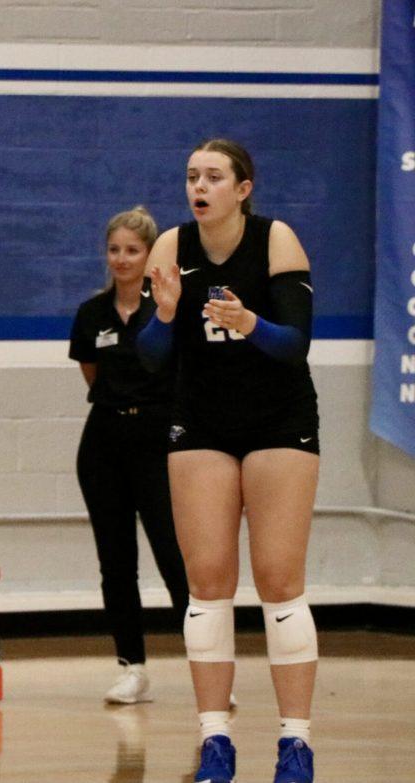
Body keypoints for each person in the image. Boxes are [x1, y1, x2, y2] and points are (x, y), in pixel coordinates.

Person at [139, 139, 319, 783]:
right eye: (192, 175)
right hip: (202, 422)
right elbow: (152, 359)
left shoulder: (276, 240)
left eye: (214, 176)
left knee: (277, 578)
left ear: (243, 189)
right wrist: (162, 313)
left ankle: (295, 743)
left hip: (279, 420)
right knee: (208, 580)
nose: (200, 185)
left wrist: (250, 324)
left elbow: (294, 345)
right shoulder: (170, 248)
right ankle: (216, 739)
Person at [68, 206, 189, 704]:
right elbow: (94, 376)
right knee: (116, 562)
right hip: (103, 444)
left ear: (150, 256)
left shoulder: (166, 310)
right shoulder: (92, 313)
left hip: (158, 442)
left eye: (132, 251)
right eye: (114, 250)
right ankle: (131, 666)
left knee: (174, 555)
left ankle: (207, 663)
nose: (122, 259)